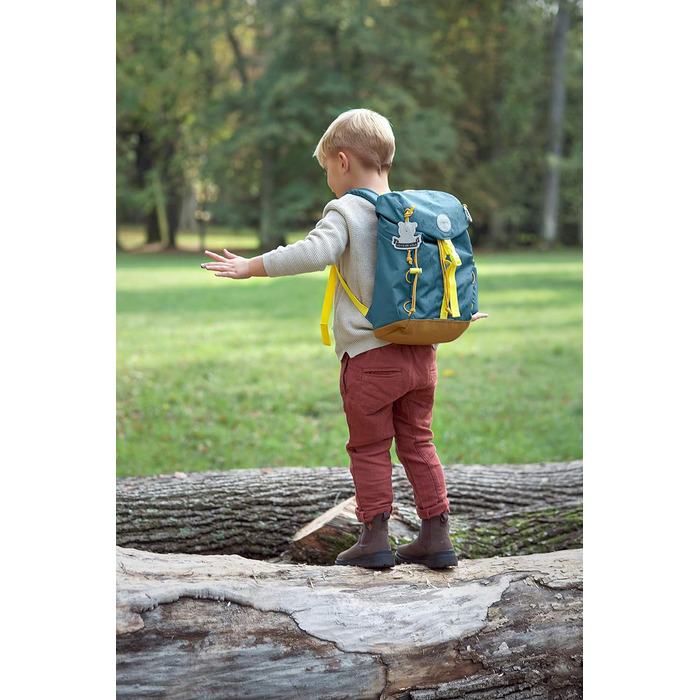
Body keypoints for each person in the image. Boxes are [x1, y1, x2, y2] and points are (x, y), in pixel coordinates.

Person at [201, 108, 487, 569]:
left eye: (327, 173)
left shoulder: (349, 208)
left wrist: (251, 266)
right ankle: (436, 535)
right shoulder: (418, 212)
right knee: (418, 441)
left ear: (341, 160)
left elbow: (315, 250)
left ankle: (374, 538)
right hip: (422, 352)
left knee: (370, 447)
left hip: (372, 358)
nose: (329, 184)